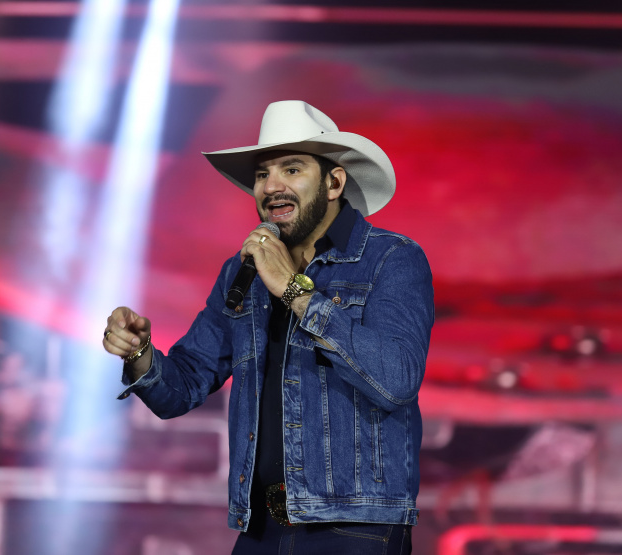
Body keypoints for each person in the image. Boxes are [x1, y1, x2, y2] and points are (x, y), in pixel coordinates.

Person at [102, 100, 433, 554]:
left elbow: (396, 380)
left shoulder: (391, 258)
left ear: (334, 182)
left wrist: (295, 291)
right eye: (262, 174)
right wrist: (139, 352)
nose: (272, 187)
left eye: (291, 169)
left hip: (354, 527)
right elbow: (181, 389)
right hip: (260, 527)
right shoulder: (242, 273)